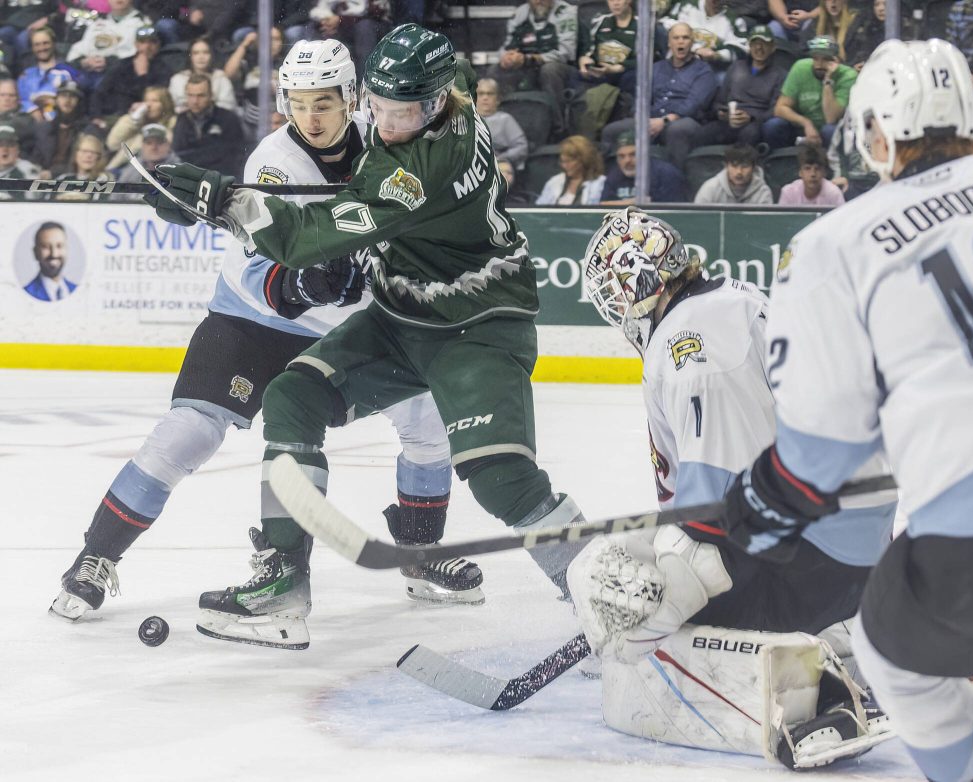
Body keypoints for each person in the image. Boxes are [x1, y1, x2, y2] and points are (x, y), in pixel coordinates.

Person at [141, 24, 588, 645]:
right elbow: (449, 64)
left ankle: (602, 592)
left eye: (407, 112)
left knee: (501, 478)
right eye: (380, 105)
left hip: (475, 325)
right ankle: (283, 581)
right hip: (401, 317)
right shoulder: (448, 86)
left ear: (436, 106)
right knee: (291, 396)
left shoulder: (414, 175)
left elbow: (305, 239)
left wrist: (224, 205)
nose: (391, 122)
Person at [49, 38, 481, 647]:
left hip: (346, 328)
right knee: (189, 433)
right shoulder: (273, 165)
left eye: (325, 103)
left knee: (428, 417)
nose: (311, 117)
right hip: (253, 319)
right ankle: (97, 557)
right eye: (299, 103)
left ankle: (418, 550)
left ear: (351, 98)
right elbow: (267, 267)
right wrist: (306, 278)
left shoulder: (384, 139)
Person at [717, 39, 973, 782]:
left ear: (878, 135)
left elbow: (823, 447)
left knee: (892, 652)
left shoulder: (836, 244)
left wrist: (764, 503)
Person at [567, 206, 895, 768]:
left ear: (637, 290)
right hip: (844, 540)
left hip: (817, 553)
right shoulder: (727, 304)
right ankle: (845, 636)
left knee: (615, 586)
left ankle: (826, 690)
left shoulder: (691, 345)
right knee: (642, 566)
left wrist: (665, 601)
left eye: (616, 298)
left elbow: (715, 504)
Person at [600, 22, 717, 171]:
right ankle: (614, 181)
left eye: (685, 38)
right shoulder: (656, 68)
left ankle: (675, 180)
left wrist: (665, 120)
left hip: (683, 121)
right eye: (676, 38)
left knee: (678, 130)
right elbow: (642, 97)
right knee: (611, 131)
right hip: (649, 120)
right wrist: (641, 118)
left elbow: (695, 104)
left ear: (692, 42)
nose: (680, 41)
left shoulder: (703, 71)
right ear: (669, 43)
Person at [684, 25, 788, 150]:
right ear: (749, 46)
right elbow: (719, 101)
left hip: (754, 123)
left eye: (764, 43)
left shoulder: (780, 75)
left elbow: (775, 110)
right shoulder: (736, 67)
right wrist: (721, 113)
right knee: (701, 135)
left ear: (773, 47)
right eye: (755, 43)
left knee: (750, 134)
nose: (759, 47)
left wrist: (751, 118)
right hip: (728, 121)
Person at [763, 35, 855, 149]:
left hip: (828, 129)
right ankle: (779, 163)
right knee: (773, 126)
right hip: (803, 128)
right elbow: (780, 109)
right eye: (816, 58)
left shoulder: (848, 76)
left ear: (836, 60)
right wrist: (806, 123)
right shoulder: (800, 67)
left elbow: (831, 118)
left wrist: (828, 81)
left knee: (830, 131)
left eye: (826, 59)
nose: (819, 64)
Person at [491, 0, 577, 118]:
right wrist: (506, 58)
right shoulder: (521, 13)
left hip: (562, 67)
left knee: (549, 70)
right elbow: (507, 45)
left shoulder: (565, 11)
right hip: (527, 64)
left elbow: (567, 52)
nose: (539, 1)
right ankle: (505, 118)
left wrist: (531, 59)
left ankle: (558, 125)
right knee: (496, 69)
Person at [92, 26, 174, 120]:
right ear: (136, 44)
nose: (147, 47)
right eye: (142, 42)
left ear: (158, 45)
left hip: (144, 117)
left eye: (152, 42)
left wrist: (142, 75)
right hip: (114, 115)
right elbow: (99, 92)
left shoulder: (164, 69)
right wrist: (96, 116)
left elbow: (156, 99)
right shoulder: (122, 65)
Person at [172, 73, 244, 175]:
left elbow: (234, 154)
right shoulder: (181, 119)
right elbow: (178, 152)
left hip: (220, 178)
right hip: (189, 178)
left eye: (201, 95)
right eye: (190, 95)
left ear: (211, 95)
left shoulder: (228, 118)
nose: (195, 101)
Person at [599, 130, 688, 204]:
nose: (627, 161)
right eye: (621, 156)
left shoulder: (667, 174)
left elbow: (674, 212)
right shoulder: (614, 175)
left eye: (633, 154)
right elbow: (604, 207)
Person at [105, 85, 176, 172]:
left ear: (165, 104)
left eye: (155, 101)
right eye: (146, 100)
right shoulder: (133, 121)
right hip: (123, 167)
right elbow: (112, 144)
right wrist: (133, 120)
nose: (148, 105)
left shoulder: (173, 122)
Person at [16, 26, 78, 121]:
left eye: (46, 43)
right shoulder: (26, 74)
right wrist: (33, 110)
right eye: (37, 45)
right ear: (32, 48)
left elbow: (73, 99)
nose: (42, 48)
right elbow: (21, 99)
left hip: (60, 121)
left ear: (53, 43)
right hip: (29, 122)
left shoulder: (67, 71)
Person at [35, 81, 93, 177]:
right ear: (56, 100)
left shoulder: (87, 130)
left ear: (79, 102)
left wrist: (53, 173)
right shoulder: (44, 128)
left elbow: (80, 164)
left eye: (73, 96)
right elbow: (35, 157)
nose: (67, 100)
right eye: (63, 95)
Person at [167, 36, 237, 114]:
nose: (201, 57)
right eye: (196, 53)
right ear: (190, 56)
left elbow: (228, 106)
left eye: (205, 52)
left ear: (212, 56)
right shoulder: (177, 79)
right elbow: (171, 107)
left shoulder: (221, 78)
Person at [535, 134, 606, 205]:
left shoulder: (600, 183)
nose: (564, 165)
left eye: (568, 161)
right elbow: (539, 209)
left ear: (583, 160)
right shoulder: (554, 182)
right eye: (563, 161)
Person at [694, 142, 773, 204]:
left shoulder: (763, 192)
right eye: (734, 166)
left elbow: (765, 223)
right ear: (726, 166)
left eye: (745, 166)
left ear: (754, 168)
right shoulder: (710, 188)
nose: (739, 172)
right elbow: (698, 220)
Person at [475, 78, 528, 169]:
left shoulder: (506, 120)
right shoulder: (464, 119)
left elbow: (521, 147)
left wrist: (501, 158)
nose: (485, 98)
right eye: (481, 94)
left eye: (490, 94)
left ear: (498, 99)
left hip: (498, 167)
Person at [24, 221, 77, 302]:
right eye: (46, 247)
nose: (54, 254)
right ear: (35, 252)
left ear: (66, 249)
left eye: (59, 246)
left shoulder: (77, 289)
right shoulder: (26, 294)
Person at [777, 142, 844, 205]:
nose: (813, 174)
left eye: (817, 169)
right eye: (807, 168)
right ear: (800, 172)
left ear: (824, 173)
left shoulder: (834, 194)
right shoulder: (788, 192)